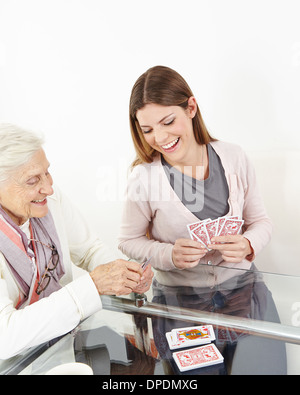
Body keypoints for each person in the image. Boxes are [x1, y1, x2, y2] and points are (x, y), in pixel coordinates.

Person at [0, 123, 153, 360]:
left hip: (62, 344)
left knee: (148, 366)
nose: (49, 188)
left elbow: (89, 250)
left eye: (47, 172)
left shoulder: (49, 200)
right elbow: (6, 338)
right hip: (16, 363)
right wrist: (92, 285)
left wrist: (126, 275)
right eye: (32, 181)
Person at [118, 65, 273, 288]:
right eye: (148, 130)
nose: (160, 138)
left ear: (191, 108)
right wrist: (169, 254)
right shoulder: (143, 178)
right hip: (181, 300)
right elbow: (127, 240)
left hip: (243, 289)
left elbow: (260, 222)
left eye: (168, 122)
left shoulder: (234, 156)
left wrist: (249, 244)